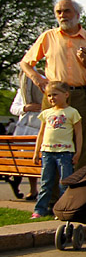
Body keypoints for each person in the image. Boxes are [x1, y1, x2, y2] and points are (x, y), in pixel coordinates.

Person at [20, 0, 86, 169]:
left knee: (82, 141)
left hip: (81, 95)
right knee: (51, 141)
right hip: (53, 95)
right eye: (59, 12)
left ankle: (77, 190)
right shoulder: (48, 37)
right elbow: (25, 63)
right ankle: (53, 193)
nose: (62, 15)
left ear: (77, 14)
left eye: (66, 11)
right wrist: (38, 79)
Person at [30, 81, 82, 218]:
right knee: (46, 182)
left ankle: (62, 210)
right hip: (47, 152)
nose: (51, 98)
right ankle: (40, 209)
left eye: (55, 94)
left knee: (64, 183)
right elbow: (41, 133)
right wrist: (37, 152)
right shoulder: (46, 113)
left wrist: (78, 152)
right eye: (49, 95)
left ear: (66, 94)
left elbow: (79, 134)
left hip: (65, 153)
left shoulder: (72, 113)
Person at [10, 70, 44, 200]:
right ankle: (33, 189)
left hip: (39, 128)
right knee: (28, 160)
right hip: (24, 131)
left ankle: (40, 191)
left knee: (36, 160)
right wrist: (26, 108)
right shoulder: (22, 93)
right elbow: (14, 108)